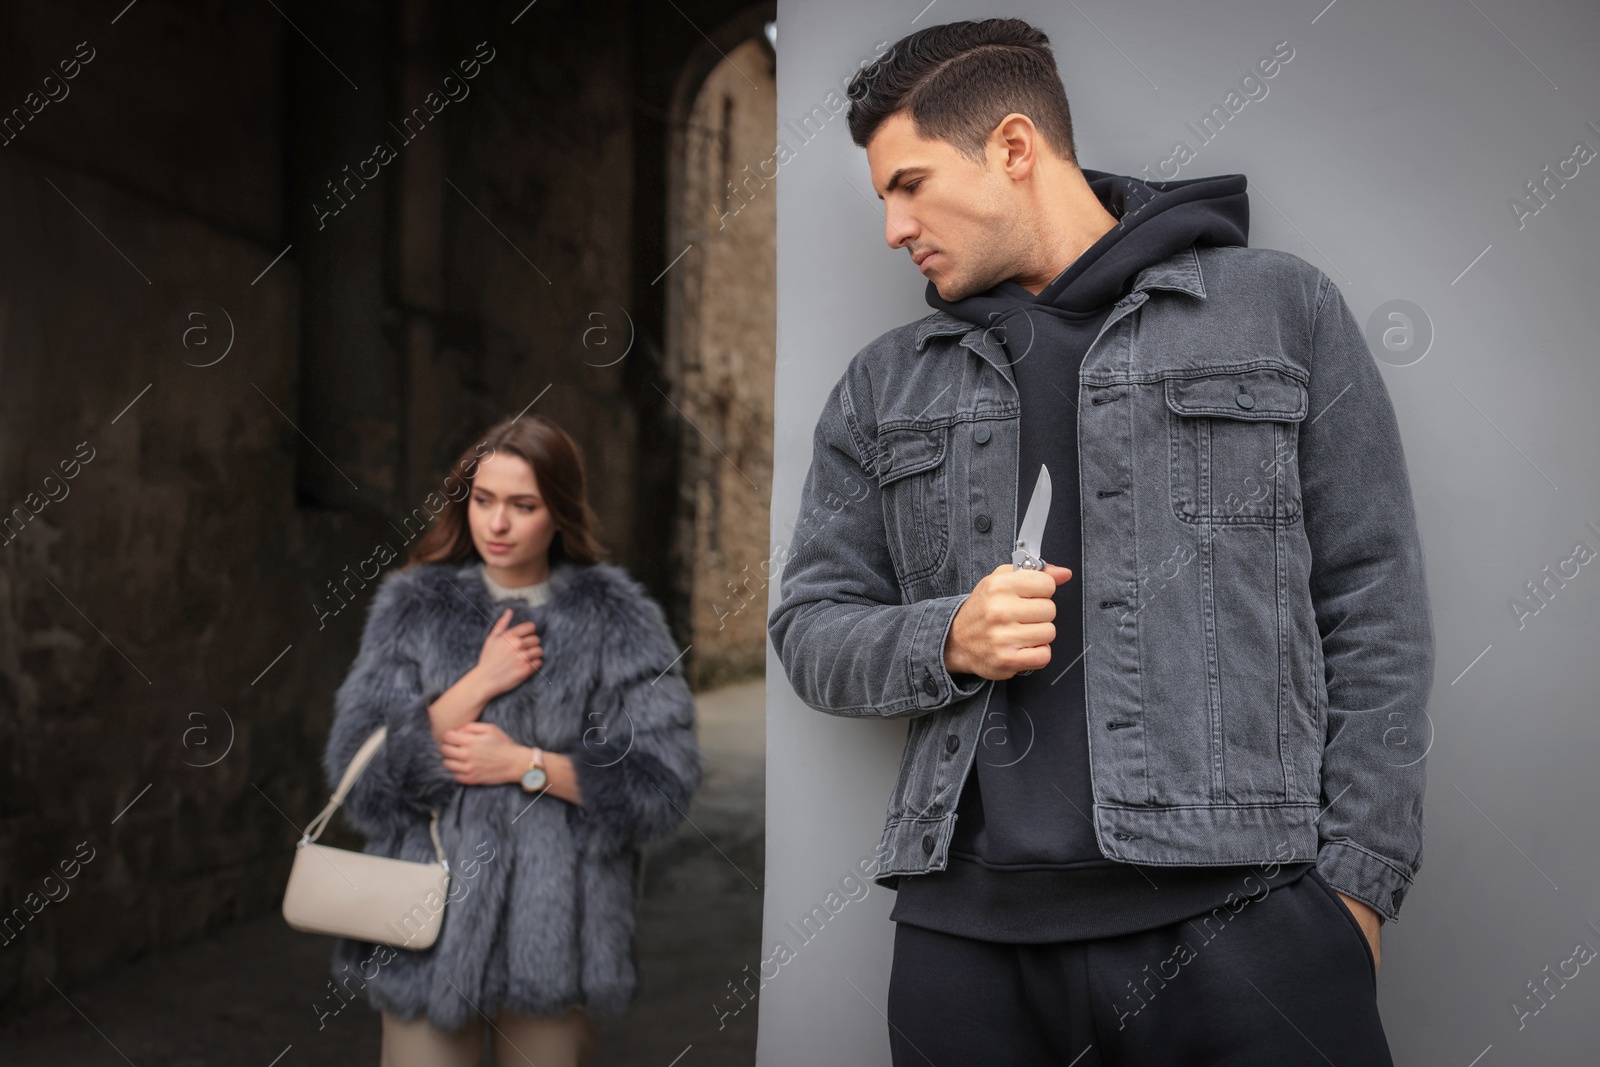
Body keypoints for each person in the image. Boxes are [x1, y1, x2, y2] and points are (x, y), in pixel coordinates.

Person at [767, 17, 1434, 1065]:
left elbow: (1373, 597)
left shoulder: (1278, 309)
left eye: (907, 184)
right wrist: (945, 637)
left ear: (1014, 148)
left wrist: (1356, 883)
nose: (892, 228)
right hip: (968, 948)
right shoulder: (885, 382)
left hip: (1246, 918)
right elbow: (808, 628)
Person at [321, 414, 704, 1067]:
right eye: (484, 499)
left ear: (559, 511)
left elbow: (662, 783)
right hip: (427, 932)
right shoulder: (412, 606)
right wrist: (478, 682)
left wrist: (527, 765)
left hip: (555, 941)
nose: (497, 523)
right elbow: (359, 777)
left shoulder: (618, 618)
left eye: (523, 505)